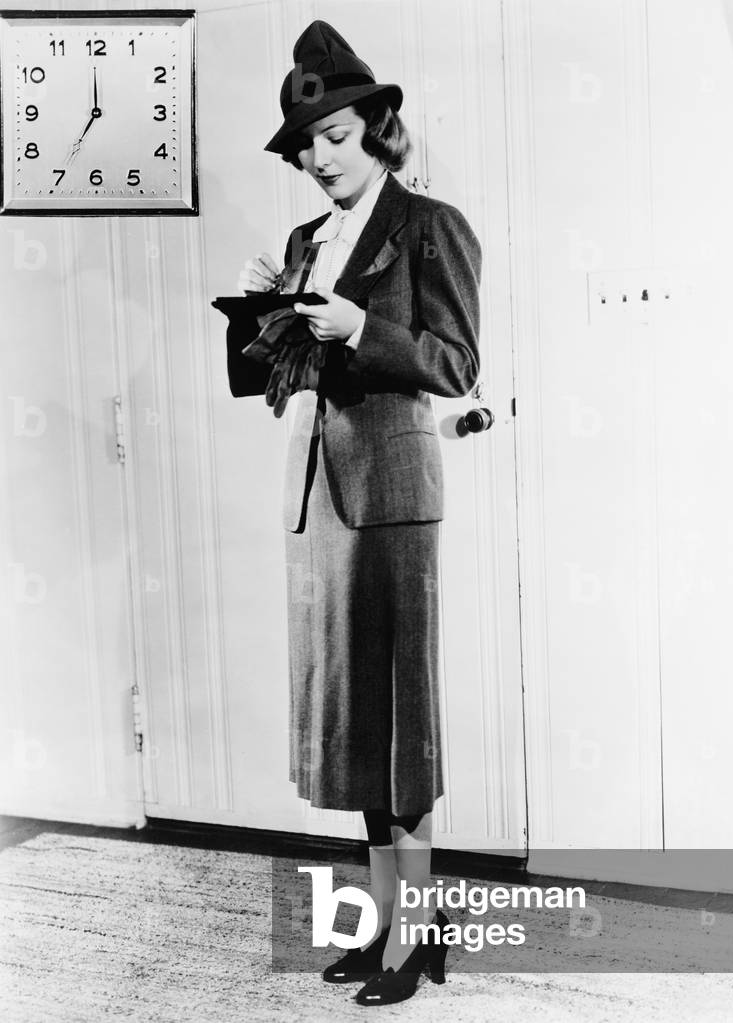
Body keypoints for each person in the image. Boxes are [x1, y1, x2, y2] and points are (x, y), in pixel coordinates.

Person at [233, 21, 481, 1007]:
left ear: (376, 126)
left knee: (399, 721)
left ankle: (416, 940)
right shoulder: (305, 243)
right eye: (304, 144)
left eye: (334, 134)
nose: (317, 157)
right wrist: (260, 318)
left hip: (391, 502)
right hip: (320, 506)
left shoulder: (429, 227)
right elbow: (277, 383)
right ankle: (390, 927)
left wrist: (361, 327)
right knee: (352, 727)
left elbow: (456, 366)